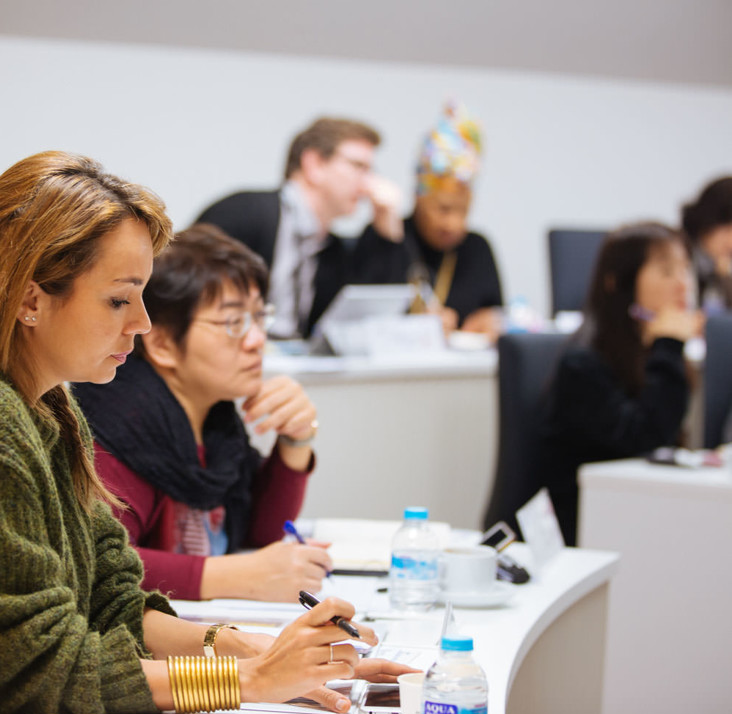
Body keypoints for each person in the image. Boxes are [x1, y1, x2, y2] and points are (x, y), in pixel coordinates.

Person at [0, 151, 413, 714]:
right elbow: (34, 672)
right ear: (31, 299)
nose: (140, 324)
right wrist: (247, 680)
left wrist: (265, 652)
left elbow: (111, 599)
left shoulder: (47, 405)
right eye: (119, 300)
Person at [73, 223, 329, 603]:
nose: (257, 340)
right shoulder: (116, 430)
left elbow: (258, 533)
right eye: (233, 322)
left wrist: (296, 439)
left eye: (260, 317)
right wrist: (231, 576)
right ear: (161, 343)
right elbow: (98, 566)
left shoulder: (217, 423)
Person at [493, 223, 696, 547]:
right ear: (617, 282)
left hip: (633, 516)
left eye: (686, 269)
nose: (683, 284)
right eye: (666, 271)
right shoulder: (583, 365)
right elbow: (645, 436)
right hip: (581, 530)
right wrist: (669, 345)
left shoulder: (651, 355)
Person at [196, 116, 404, 339]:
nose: (368, 184)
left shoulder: (331, 248)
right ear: (314, 164)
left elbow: (366, 316)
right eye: (358, 167)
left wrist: (387, 229)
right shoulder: (244, 212)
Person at [356, 101, 504, 339]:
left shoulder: (478, 247)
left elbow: (495, 313)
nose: (453, 224)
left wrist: (489, 322)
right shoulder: (385, 236)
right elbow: (358, 320)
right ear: (419, 198)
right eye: (443, 209)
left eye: (463, 211)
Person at [682, 175, 732, 314]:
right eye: (727, 229)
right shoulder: (678, 253)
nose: (730, 242)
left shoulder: (719, 267)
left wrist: (725, 278)